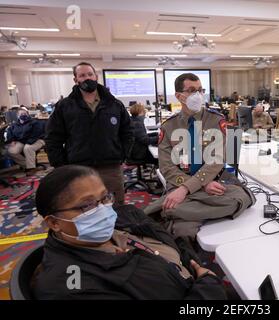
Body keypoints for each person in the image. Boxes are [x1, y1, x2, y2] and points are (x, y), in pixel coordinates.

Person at [33, 165, 226, 300]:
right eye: (88, 205)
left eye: (104, 197)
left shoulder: (123, 220)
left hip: (192, 278)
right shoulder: (74, 288)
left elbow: (168, 241)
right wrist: (208, 287)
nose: (103, 209)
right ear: (54, 222)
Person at [144, 73, 254, 238]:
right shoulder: (169, 127)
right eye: (192, 90)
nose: (198, 95)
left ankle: (171, 210)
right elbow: (166, 167)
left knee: (244, 197)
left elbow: (217, 161)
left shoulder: (215, 120)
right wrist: (195, 186)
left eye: (200, 90)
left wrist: (189, 189)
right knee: (183, 232)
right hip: (179, 180)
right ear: (179, 96)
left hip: (214, 180)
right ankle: (180, 209)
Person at [45, 62, 133, 204]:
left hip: (110, 167)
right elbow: (52, 137)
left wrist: (123, 154)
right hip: (78, 168)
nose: (87, 78)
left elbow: (127, 132)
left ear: (96, 76)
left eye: (90, 74)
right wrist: (61, 165)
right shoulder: (65, 106)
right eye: (82, 75)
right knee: (84, 208)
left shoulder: (114, 104)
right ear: (76, 80)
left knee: (115, 207)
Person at [5, 107, 45, 175]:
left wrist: (28, 142)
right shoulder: (14, 125)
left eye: (25, 113)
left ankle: (31, 169)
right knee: (11, 151)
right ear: (17, 115)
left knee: (27, 148)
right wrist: (12, 140)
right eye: (21, 114)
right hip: (22, 141)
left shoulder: (34, 122)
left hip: (37, 139)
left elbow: (37, 133)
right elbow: (10, 132)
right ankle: (27, 165)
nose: (23, 115)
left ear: (28, 114)